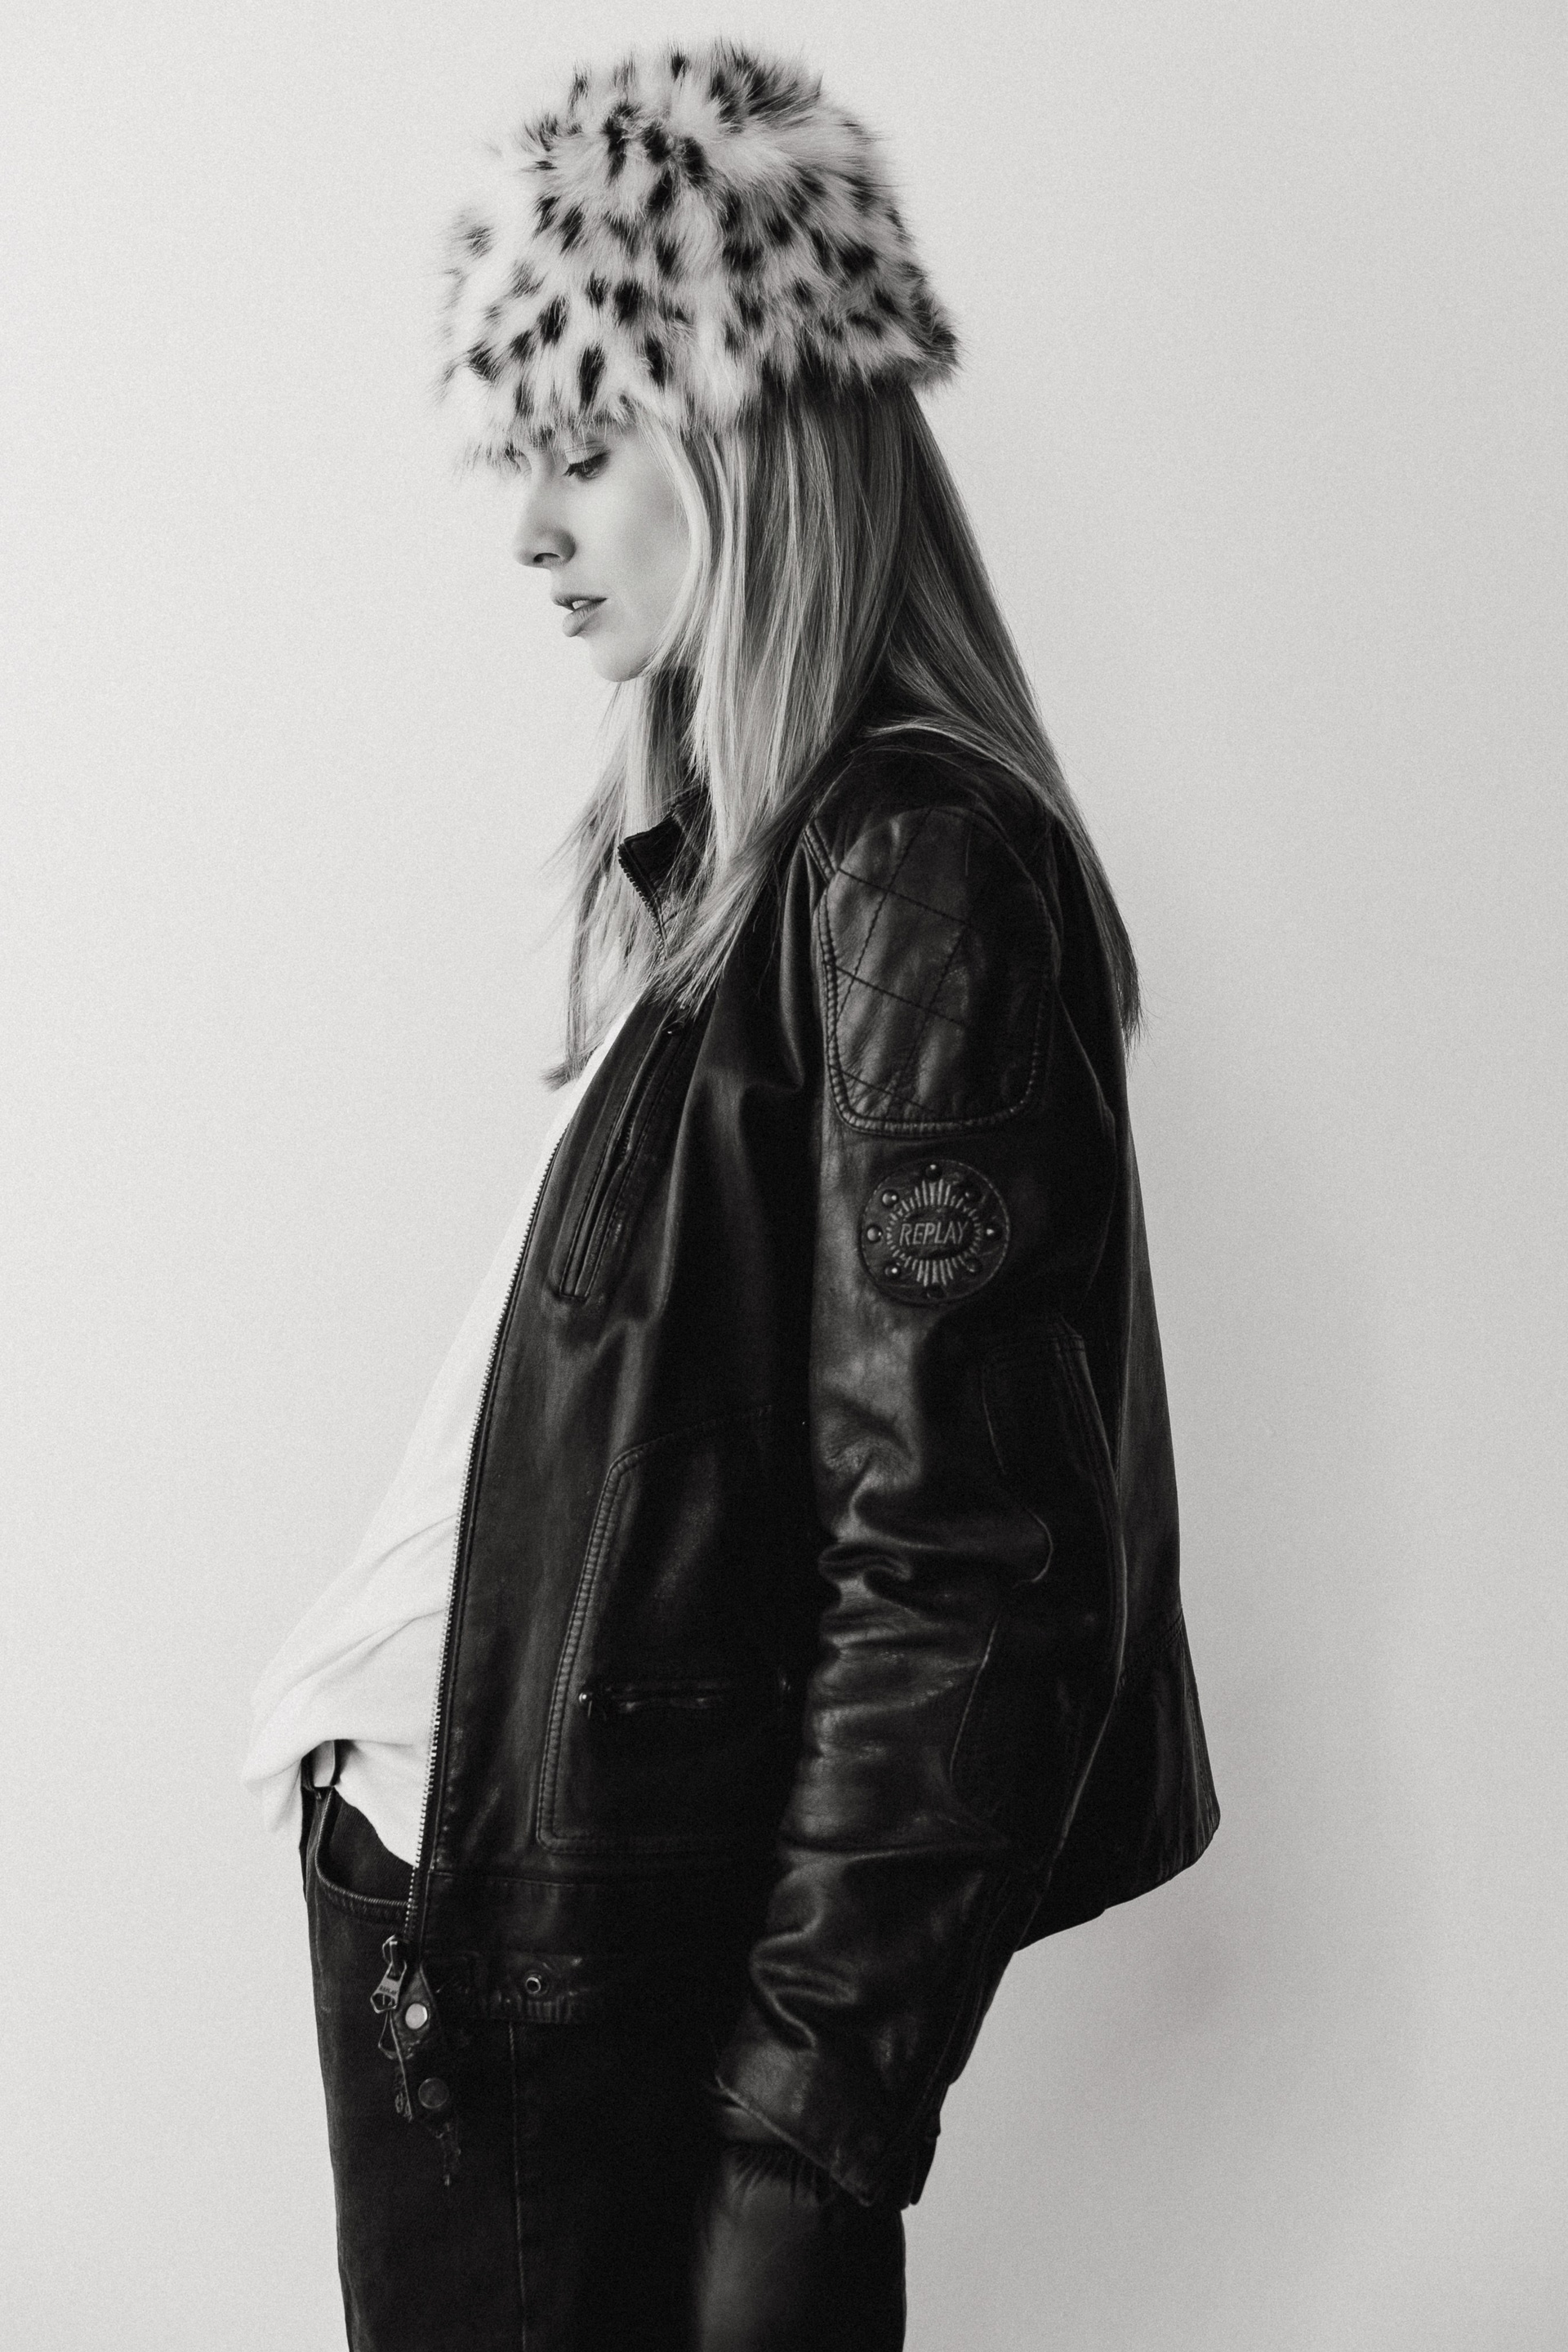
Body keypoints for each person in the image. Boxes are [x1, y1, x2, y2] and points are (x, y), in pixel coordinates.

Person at [245, 37, 1218, 2352]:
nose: (530, 529)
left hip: (571, 1992)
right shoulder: (745, 867)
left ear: (755, 444)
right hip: (487, 1942)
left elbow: (966, 1576)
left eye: (587, 448)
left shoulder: (910, 870)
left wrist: (806, 2140)